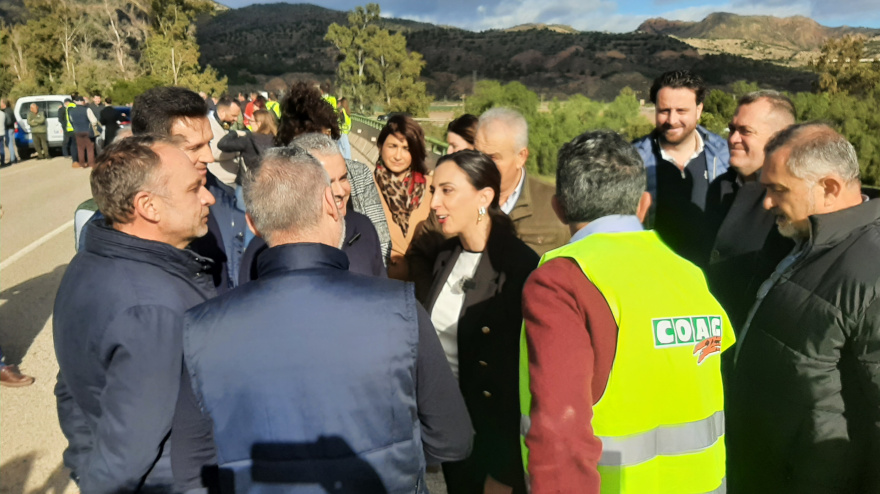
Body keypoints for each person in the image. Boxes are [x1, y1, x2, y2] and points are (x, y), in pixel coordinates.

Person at [182, 146, 473, 492]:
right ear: (330, 202)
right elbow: (452, 439)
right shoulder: (400, 310)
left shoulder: (201, 328)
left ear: (252, 223)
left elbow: (192, 466)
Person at [520, 129, 733, 494]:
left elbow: (560, 432)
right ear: (643, 204)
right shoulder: (690, 275)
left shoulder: (562, 282)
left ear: (558, 208)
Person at [53, 135, 217, 493]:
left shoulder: (89, 261)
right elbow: (130, 448)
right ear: (149, 206)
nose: (209, 197)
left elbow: (71, 387)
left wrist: (82, 464)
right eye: (194, 189)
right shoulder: (151, 307)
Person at [725, 123, 880, 493]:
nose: (766, 203)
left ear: (828, 188)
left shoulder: (871, 269)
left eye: (778, 189)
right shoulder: (804, 241)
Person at [425, 150, 538, 494]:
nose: (433, 203)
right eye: (433, 191)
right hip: (454, 437)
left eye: (447, 191)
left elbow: (521, 379)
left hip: (494, 449)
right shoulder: (444, 256)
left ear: (484, 197)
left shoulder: (519, 267)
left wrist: (504, 473)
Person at [130, 87, 247, 294]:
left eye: (208, 143)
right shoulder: (116, 224)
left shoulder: (224, 197)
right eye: (194, 148)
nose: (209, 157)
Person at [704, 90, 796, 329]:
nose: (732, 138)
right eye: (732, 129)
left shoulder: (794, 202)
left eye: (745, 131)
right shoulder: (719, 187)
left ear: (779, 138)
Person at [240, 133, 386, 280]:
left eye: (343, 178)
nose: (340, 191)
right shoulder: (264, 245)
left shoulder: (363, 227)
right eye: (327, 181)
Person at [276, 81, 391, 262]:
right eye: (303, 138)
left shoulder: (358, 174)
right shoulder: (281, 182)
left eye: (319, 135)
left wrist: (373, 277)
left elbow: (381, 238)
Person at [632, 70, 730, 267]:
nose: (672, 120)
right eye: (664, 111)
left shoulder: (724, 154)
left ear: (699, 110)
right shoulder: (632, 159)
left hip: (711, 277)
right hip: (654, 272)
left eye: (681, 111)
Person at [375, 114, 434, 280]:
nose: (398, 156)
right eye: (392, 146)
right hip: (379, 283)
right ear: (380, 146)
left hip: (422, 284)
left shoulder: (432, 187)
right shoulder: (365, 186)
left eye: (406, 149)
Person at [217, 108, 277, 187]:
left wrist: (234, 133)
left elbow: (222, 144)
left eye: (251, 121)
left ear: (259, 123)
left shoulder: (248, 139)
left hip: (247, 183)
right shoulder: (278, 139)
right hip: (271, 183)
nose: (248, 124)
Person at [208, 97, 242, 185]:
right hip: (222, 181)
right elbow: (215, 153)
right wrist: (239, 150)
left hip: (230, 179)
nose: (236, 119)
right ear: (222, 112)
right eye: (233, 116)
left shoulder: (222, 124)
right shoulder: (210, 126)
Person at [68, 96, 99, 168]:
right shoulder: (87, 109)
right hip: (87, 131)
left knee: (80, 148)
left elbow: (71, 120)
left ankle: (82, 163)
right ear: (83, 102)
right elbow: (94, 120)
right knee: (90, 147)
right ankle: (91, 163)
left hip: (77, 131)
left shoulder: (71, 111)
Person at [2, 98, 17, 165]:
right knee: (9, 143)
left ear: (4, 104)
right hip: (11, 128)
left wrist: (4, 125)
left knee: (9, 144)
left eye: (1, 102)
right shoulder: (10, 110)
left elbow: (9, 121)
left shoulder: (6, 111)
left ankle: (13, 159)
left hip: (8, 129)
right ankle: (14, 157)